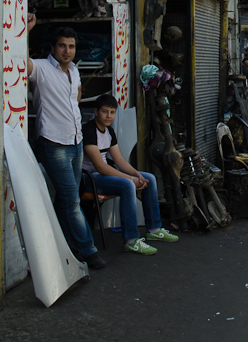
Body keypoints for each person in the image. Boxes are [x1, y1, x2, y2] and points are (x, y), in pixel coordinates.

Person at [26, 14, 106, 269]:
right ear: (53, 48)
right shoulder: (41, 68)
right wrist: (26, 30)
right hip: (53, 142)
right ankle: (88, 250)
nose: (67, 51)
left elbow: (76, 97)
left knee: (65, 198)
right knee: (72, 199)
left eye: (71, 46)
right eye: (62, 46)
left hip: (76, 142)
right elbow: (20, 61)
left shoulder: (73, 70)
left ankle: (65, 245)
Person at [82, 94, 178, 255]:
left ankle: (153, 229)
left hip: (105, 175)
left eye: (112, 112)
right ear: (96, 112)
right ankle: (131, 240)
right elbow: (100, 167)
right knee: (127, 185)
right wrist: (130, 179)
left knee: (150, 178)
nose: (108, 116)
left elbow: (119, 160)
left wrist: (136, 175)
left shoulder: (109, 132)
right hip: (90, 178)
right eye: (105, 112)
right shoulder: (88, 130)